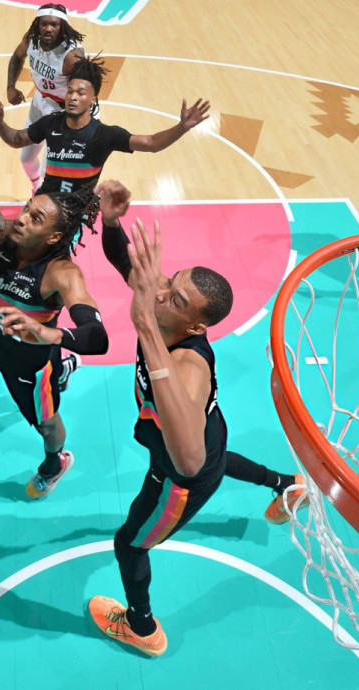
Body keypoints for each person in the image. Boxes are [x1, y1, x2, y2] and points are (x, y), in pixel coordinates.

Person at [87, 181, 308, 657]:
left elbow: (187, 462)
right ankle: (286, 484)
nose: (161, 292)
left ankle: (143, 628)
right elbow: (125, 262)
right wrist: (111, 221)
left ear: (196, 326)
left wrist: (145, 327)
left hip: (179, 477)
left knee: (130, 544)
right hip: (210, 432)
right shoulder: (163, 303)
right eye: (171, 281)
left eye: (175, 298)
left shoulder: (187, 366)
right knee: (219, 456)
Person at [0, 64, 109, 498]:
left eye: (35, 218)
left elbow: (98, 337)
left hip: (33, 366)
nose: (22, 218)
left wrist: (48, 334)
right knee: (17, 368)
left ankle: (55, 461)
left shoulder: (62, 273)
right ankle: (64, 366)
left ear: (54, 236)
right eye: (28, 209)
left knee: (46, 423)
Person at [0, 55, 210, 195]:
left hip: (72, 215)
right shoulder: (50, 123)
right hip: (44, 205)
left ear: (93, 99)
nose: (73, 97)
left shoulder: (103, 135)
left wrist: (182, 127)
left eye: (81, 93)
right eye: (70, 91)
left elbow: (151, 143)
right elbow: (16, 139)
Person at [6, 3, 86, 191]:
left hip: (64, 113)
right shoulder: (31, 39)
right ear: (38, 24)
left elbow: (85, 91)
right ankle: (36, 188)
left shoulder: (72, 56)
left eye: (54, 24)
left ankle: (50, 199)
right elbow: (17, 57)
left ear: (62, 27)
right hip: (40, 102)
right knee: (26, 159)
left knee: (49, 171)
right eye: (44, 24)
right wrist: (10, 87)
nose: (48, 29)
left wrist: (72, 122)